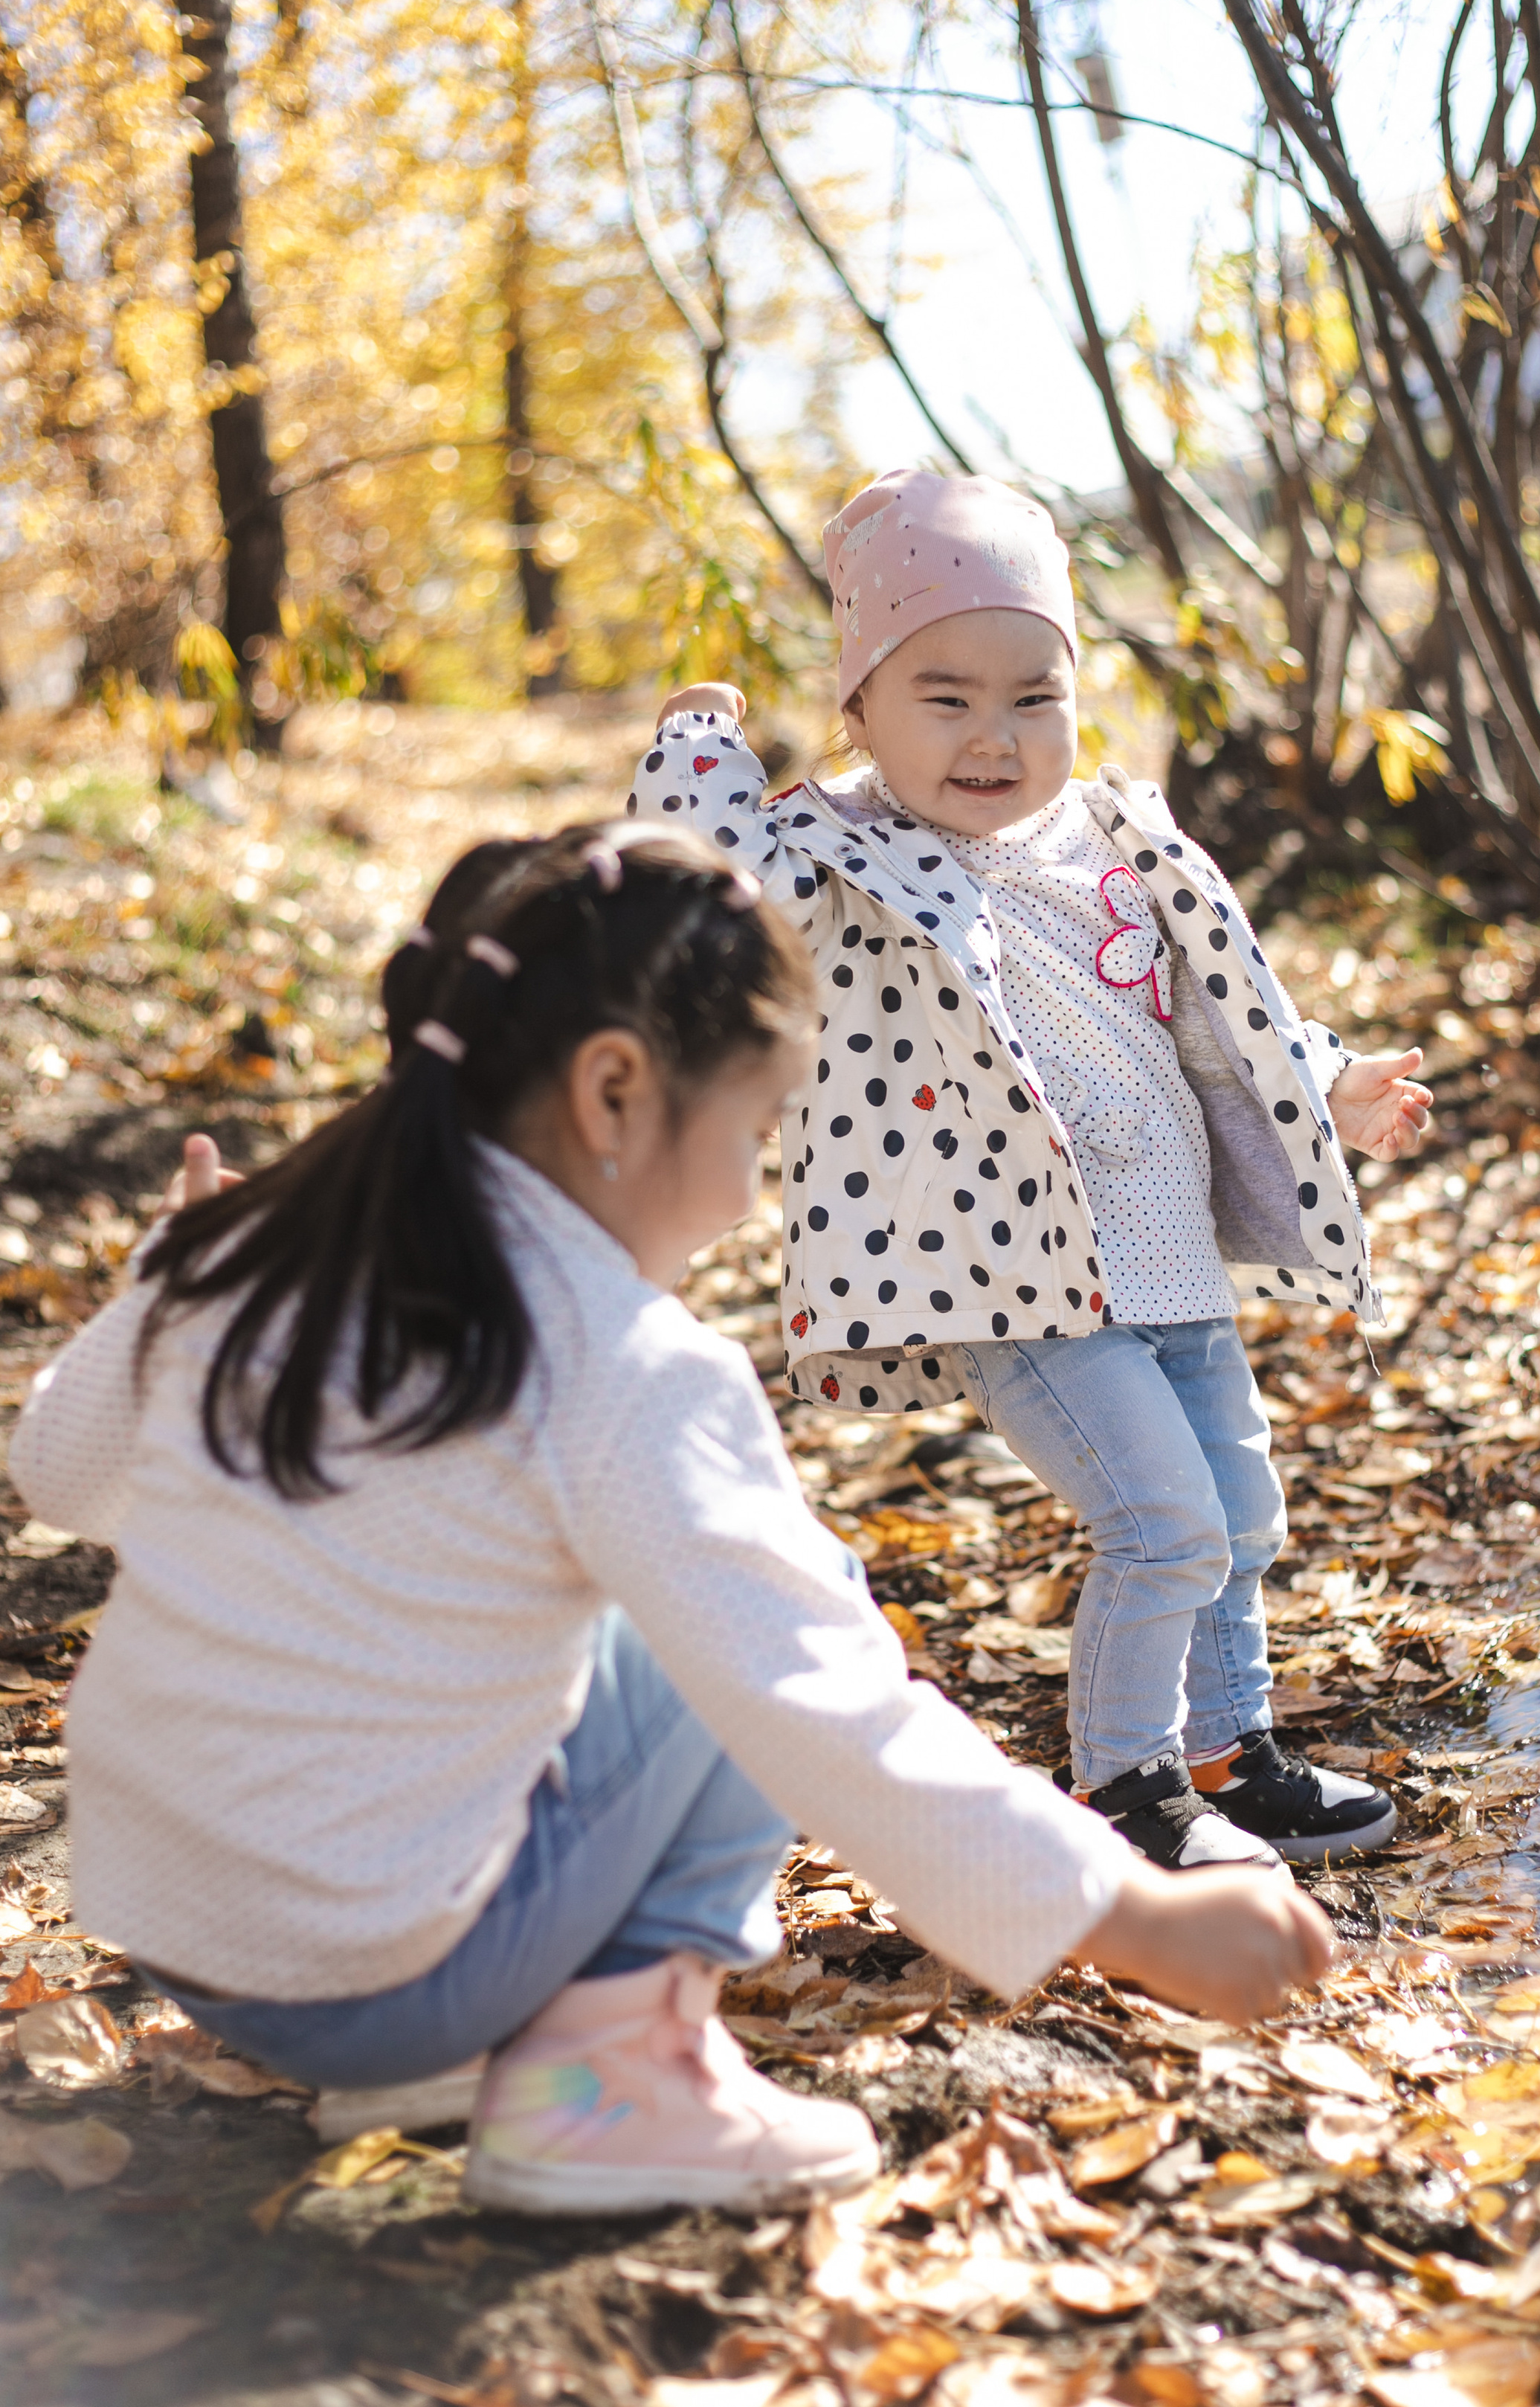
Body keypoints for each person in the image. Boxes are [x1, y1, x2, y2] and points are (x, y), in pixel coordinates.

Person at [9, 820, 1336, 2218]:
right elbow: (830, 1712)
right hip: (369, 1975)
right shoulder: (621, 1364)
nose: (759, 1188)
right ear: (615, 1092)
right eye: (758, 1128)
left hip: (178, 1925)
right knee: (758, 1622)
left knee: (634, 1614)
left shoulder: (259, 1252)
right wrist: (1137, 1919)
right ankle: (611, 2090)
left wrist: (167, 1270)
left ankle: (457, 2055)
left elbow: (59, 1475)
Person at [629, 469, 1432, 1877]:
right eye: (944, 697)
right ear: (861, 706)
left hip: (1169, 1257)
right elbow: (701, 888)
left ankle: (1228, 1755)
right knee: (1163, 1523)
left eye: (1031, 697)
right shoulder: (843, 853)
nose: (993, 738)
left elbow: (1222, 1010)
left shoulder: (1119, 842)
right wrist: (698, 743)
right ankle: (1126, 1790)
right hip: (1018, 1281)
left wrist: (1329, 1083)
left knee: (1240, 1519)